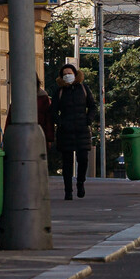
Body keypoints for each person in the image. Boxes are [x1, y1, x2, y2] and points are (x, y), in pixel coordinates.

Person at [51, 64, 94, 199]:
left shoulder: (83, 88)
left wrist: (88, 120)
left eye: (69, 73)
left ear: (75, 74)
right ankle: (68, 191)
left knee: (83, 159)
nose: (67, 75)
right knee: (67, 163)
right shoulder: (59, 91)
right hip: (66, 131)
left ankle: (80, 183)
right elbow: (53, 110)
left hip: (82, 129)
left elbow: (92, 106)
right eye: (64, 74)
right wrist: (60, 122)